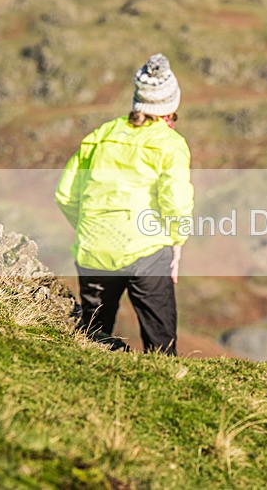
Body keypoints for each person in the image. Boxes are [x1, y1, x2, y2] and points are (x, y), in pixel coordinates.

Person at [55, 53, 194, 355]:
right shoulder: (171, 145)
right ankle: (163, 396)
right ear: (171, 105)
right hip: (147, 252)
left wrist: (92, 228)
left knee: (90, 338)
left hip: (94, 251)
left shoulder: (100, 136)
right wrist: (176, 242)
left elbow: (66, 195)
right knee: (161, 346)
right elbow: (175, 202)